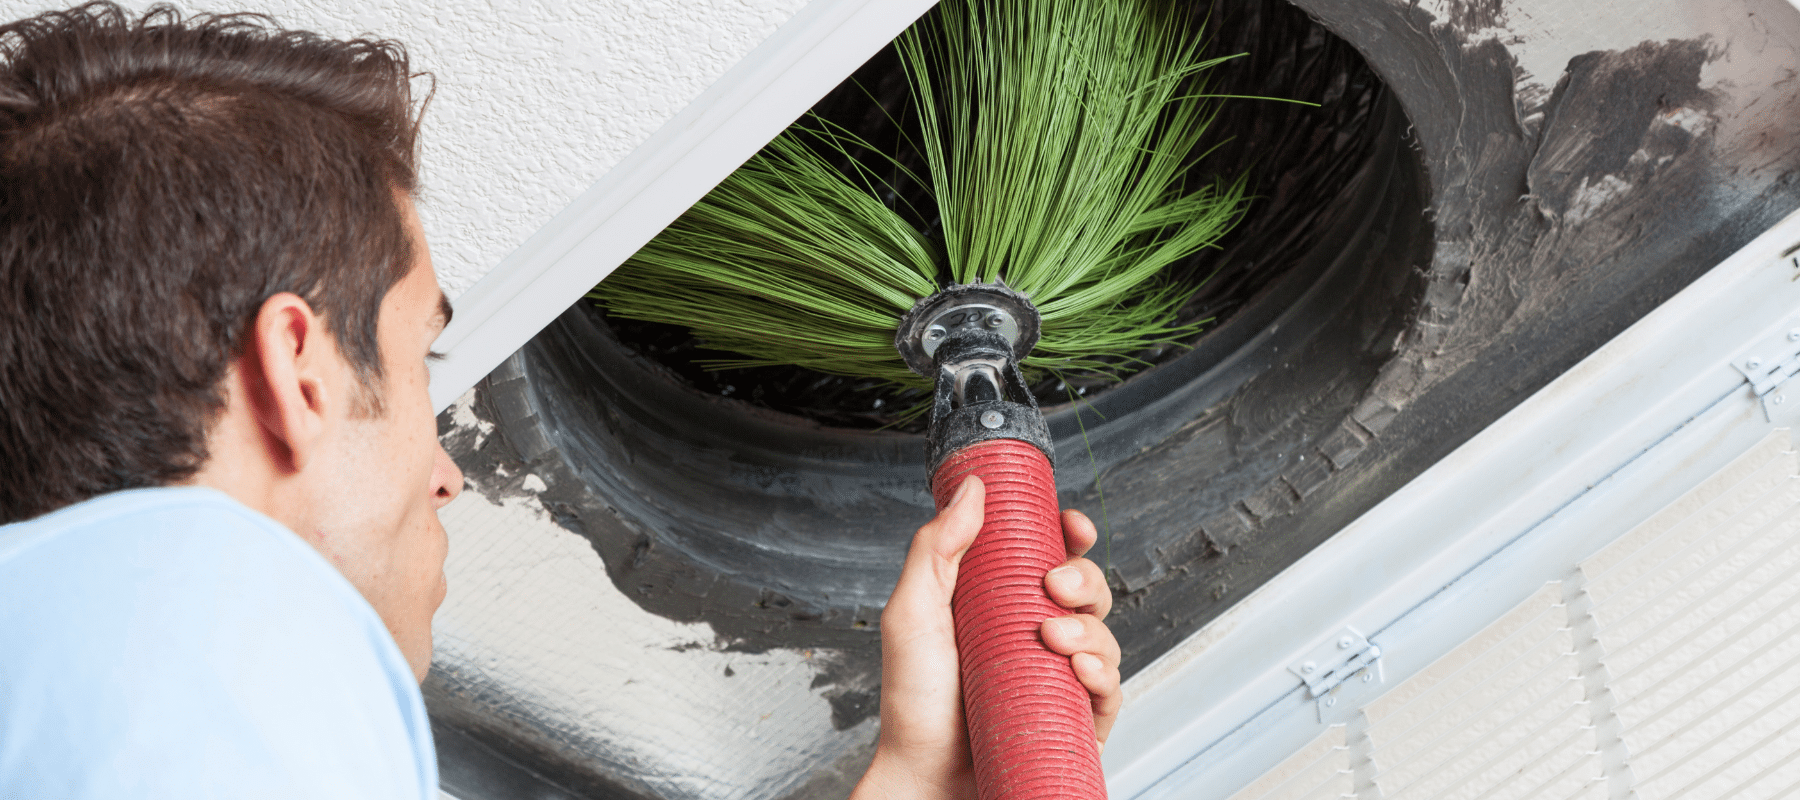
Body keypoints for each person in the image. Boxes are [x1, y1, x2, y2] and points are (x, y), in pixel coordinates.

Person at [0, 3, 1123, 798]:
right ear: (300, 374)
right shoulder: (224, 678)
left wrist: (920, 777)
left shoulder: (91, 698)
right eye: (417, 367)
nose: (445, 468)